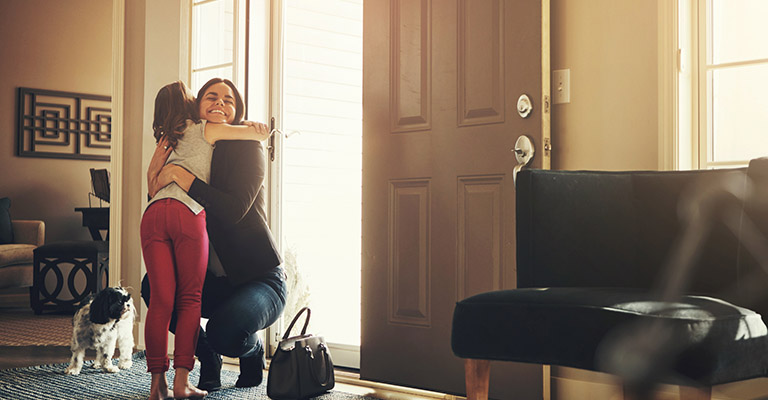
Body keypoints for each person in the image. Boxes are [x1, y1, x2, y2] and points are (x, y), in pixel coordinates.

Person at [142, 78, 287, 392]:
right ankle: (207, 355)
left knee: (227, 333)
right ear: (197, 105)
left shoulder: (248, 149)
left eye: (229, 100)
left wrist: (182, 176)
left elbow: (234, 210)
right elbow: (161, 196)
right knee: (151, 287)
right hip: (215, 283)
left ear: (237, 112)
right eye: (212, 96)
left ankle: (253, 348)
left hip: (259, 278)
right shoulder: (187, 142)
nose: (220, 103)